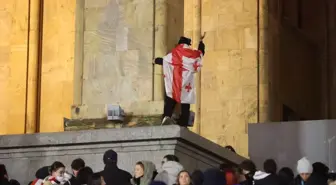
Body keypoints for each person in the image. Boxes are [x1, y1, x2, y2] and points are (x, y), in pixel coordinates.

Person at [153, 36, 205, 127]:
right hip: (186, 82)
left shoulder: (174, 52)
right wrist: (201, 43)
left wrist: (156, 60)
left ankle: (167, 116)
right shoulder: (192, 54)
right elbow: (200, 55)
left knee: (171, 98)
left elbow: (165, 61)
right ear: (188, 44)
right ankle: (184, 122)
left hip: (175, 81)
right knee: (186, 101)